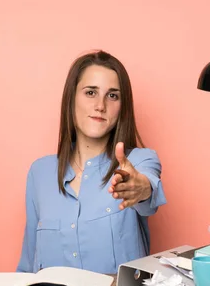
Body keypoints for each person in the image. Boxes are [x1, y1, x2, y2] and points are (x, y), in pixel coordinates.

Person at [16, 50, 167, 274]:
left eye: (112, 95)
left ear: (122, 107)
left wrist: (140, 188)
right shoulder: (40, 172)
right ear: (71, 98)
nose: (100, 105)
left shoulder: (140, 160)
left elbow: (147, 187)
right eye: (90, 92)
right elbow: (28, 266)